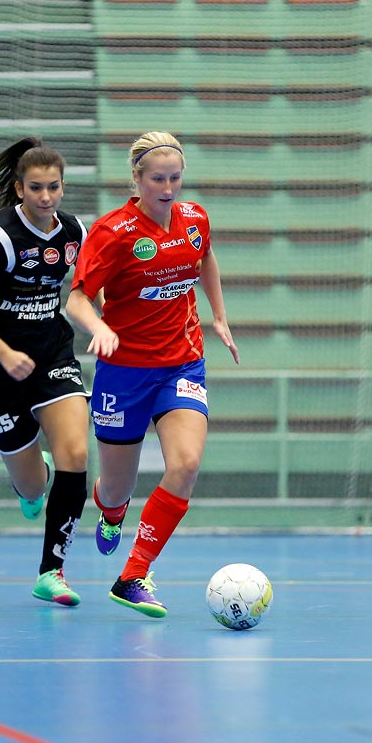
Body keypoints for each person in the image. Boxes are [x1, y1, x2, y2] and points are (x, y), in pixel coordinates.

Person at [64, 131, 239, 618]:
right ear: (137, 179)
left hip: (182, 363)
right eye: (157, 179)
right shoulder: (113, 231)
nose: (168, 188)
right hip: (124, 373)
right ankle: (112, 508)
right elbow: (77, 298)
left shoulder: (194, 218)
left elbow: (204, 258)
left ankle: (133, 574)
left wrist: (218, 315)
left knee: (184, 465)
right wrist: (99, 328)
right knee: (117, 488)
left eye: (175, 178)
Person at [0, 137, 92, 607]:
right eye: (36, 188)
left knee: (75, 451)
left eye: (54, 187)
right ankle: (31, 478)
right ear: (19, 189)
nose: (46, 197)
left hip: (52, 353)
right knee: (34, 487)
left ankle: (52, 571)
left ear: (63, 187)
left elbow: (90, 287)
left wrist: (104, 322)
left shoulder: (74, 232)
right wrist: (4, 353)